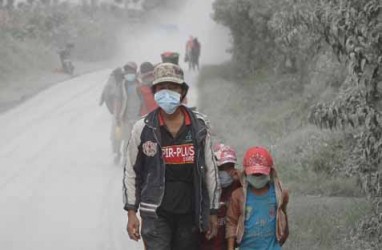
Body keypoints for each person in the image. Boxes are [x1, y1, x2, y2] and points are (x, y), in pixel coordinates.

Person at [123, 62, 221, 250]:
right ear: (155, 91)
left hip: (190, 213)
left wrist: (213, 211)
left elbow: (210, 171)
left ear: (182, 92)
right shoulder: (143, 128)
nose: (167, 92)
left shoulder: (199, 127)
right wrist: (131, 212)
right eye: (162, 87)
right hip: (155, 214)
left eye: (173, 87)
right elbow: (131, 173)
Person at [226, 146, 289, 250]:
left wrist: (284, 207)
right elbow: (231, 224)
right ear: (246, 173)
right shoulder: (238, 196)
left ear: (270, 172)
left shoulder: (279, 194)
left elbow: (283, 225)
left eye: (261, 174)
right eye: (254, 174)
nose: (257, 177)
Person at [201, 143, 241, 250]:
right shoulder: (204, 189)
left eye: (230, 167)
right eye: (222, 167)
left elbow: (261, 185)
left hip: (226, 244)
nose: (227, 172)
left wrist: (243, 177)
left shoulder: (237, 186)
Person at [99, 67, 129, 164]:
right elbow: (106, 93)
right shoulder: (112, 82)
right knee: (118, 134)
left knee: (121, 134)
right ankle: (117, 153)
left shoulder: (123, 82)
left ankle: (120, 153)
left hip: (122, 112)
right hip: (117, 112)